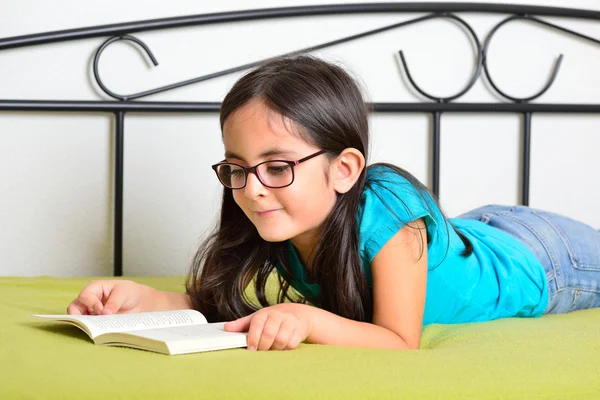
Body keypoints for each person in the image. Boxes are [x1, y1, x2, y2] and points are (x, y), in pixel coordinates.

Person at [67, 55, 600, 351]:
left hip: (546, 260)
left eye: (278, 167)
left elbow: (397, 341)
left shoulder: (390, 203)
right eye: (237, 167)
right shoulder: (282, 218)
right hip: (473, 232)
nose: (252, 188)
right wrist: (141, 299)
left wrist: (308, 319)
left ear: (344, 169)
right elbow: (230, 309)